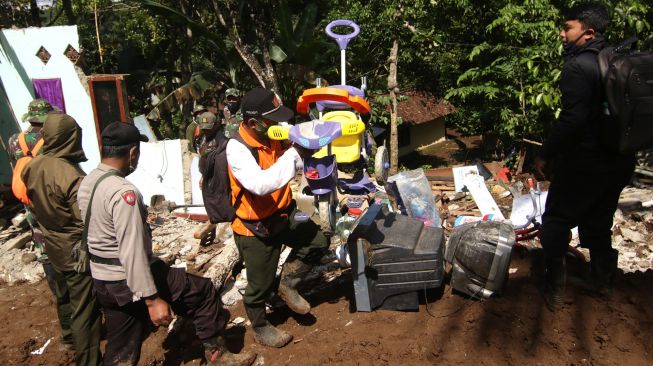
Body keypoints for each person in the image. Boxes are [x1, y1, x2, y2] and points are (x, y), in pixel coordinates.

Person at [78, 122, 255, 366]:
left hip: (103, 279)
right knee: (202, 291)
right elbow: (131, 251)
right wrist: (152, 299)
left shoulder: (90, 181)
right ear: (132, 152)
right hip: (128, 277)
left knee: (121, 344)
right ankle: (218, 356)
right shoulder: (123, 192)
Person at [535, 3, 636, 311]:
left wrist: (545, 153)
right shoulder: (617, 58)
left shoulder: (578, 67)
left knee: (555, 220)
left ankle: (555, 289)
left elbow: (572, 121)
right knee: (598, 219)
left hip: (587, 160)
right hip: (620, 158)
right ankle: (603, 282)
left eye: (568, 28)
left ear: (588, 32)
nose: (562, 34)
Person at [226, 87, 329, 347]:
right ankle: (260, 326)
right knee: (259, 286)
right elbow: (261, 185)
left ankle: (288, 284)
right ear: (253, 123)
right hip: (256, 226)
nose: (278, 124)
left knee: (317, 243)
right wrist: (296, 154)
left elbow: (296, 142)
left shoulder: (272, 131)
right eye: (271, 119)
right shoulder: (236, 149)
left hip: (283, 211)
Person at [21, 110, 102, 365]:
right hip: (73, 247)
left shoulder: (33, 165)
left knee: (63, 294)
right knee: (84, 309)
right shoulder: (71, 176)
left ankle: (68, 337)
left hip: (50, 240)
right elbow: (84, 219)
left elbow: (32, 199)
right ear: (70, 138)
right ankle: (88, 359)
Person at [7, 99, 76, 351]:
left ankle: (67, 334)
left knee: (53, 272)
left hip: (32, 214)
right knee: (74, 276)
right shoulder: (51, 141)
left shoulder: (16, 140)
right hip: (55, 214)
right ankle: (80, 330)